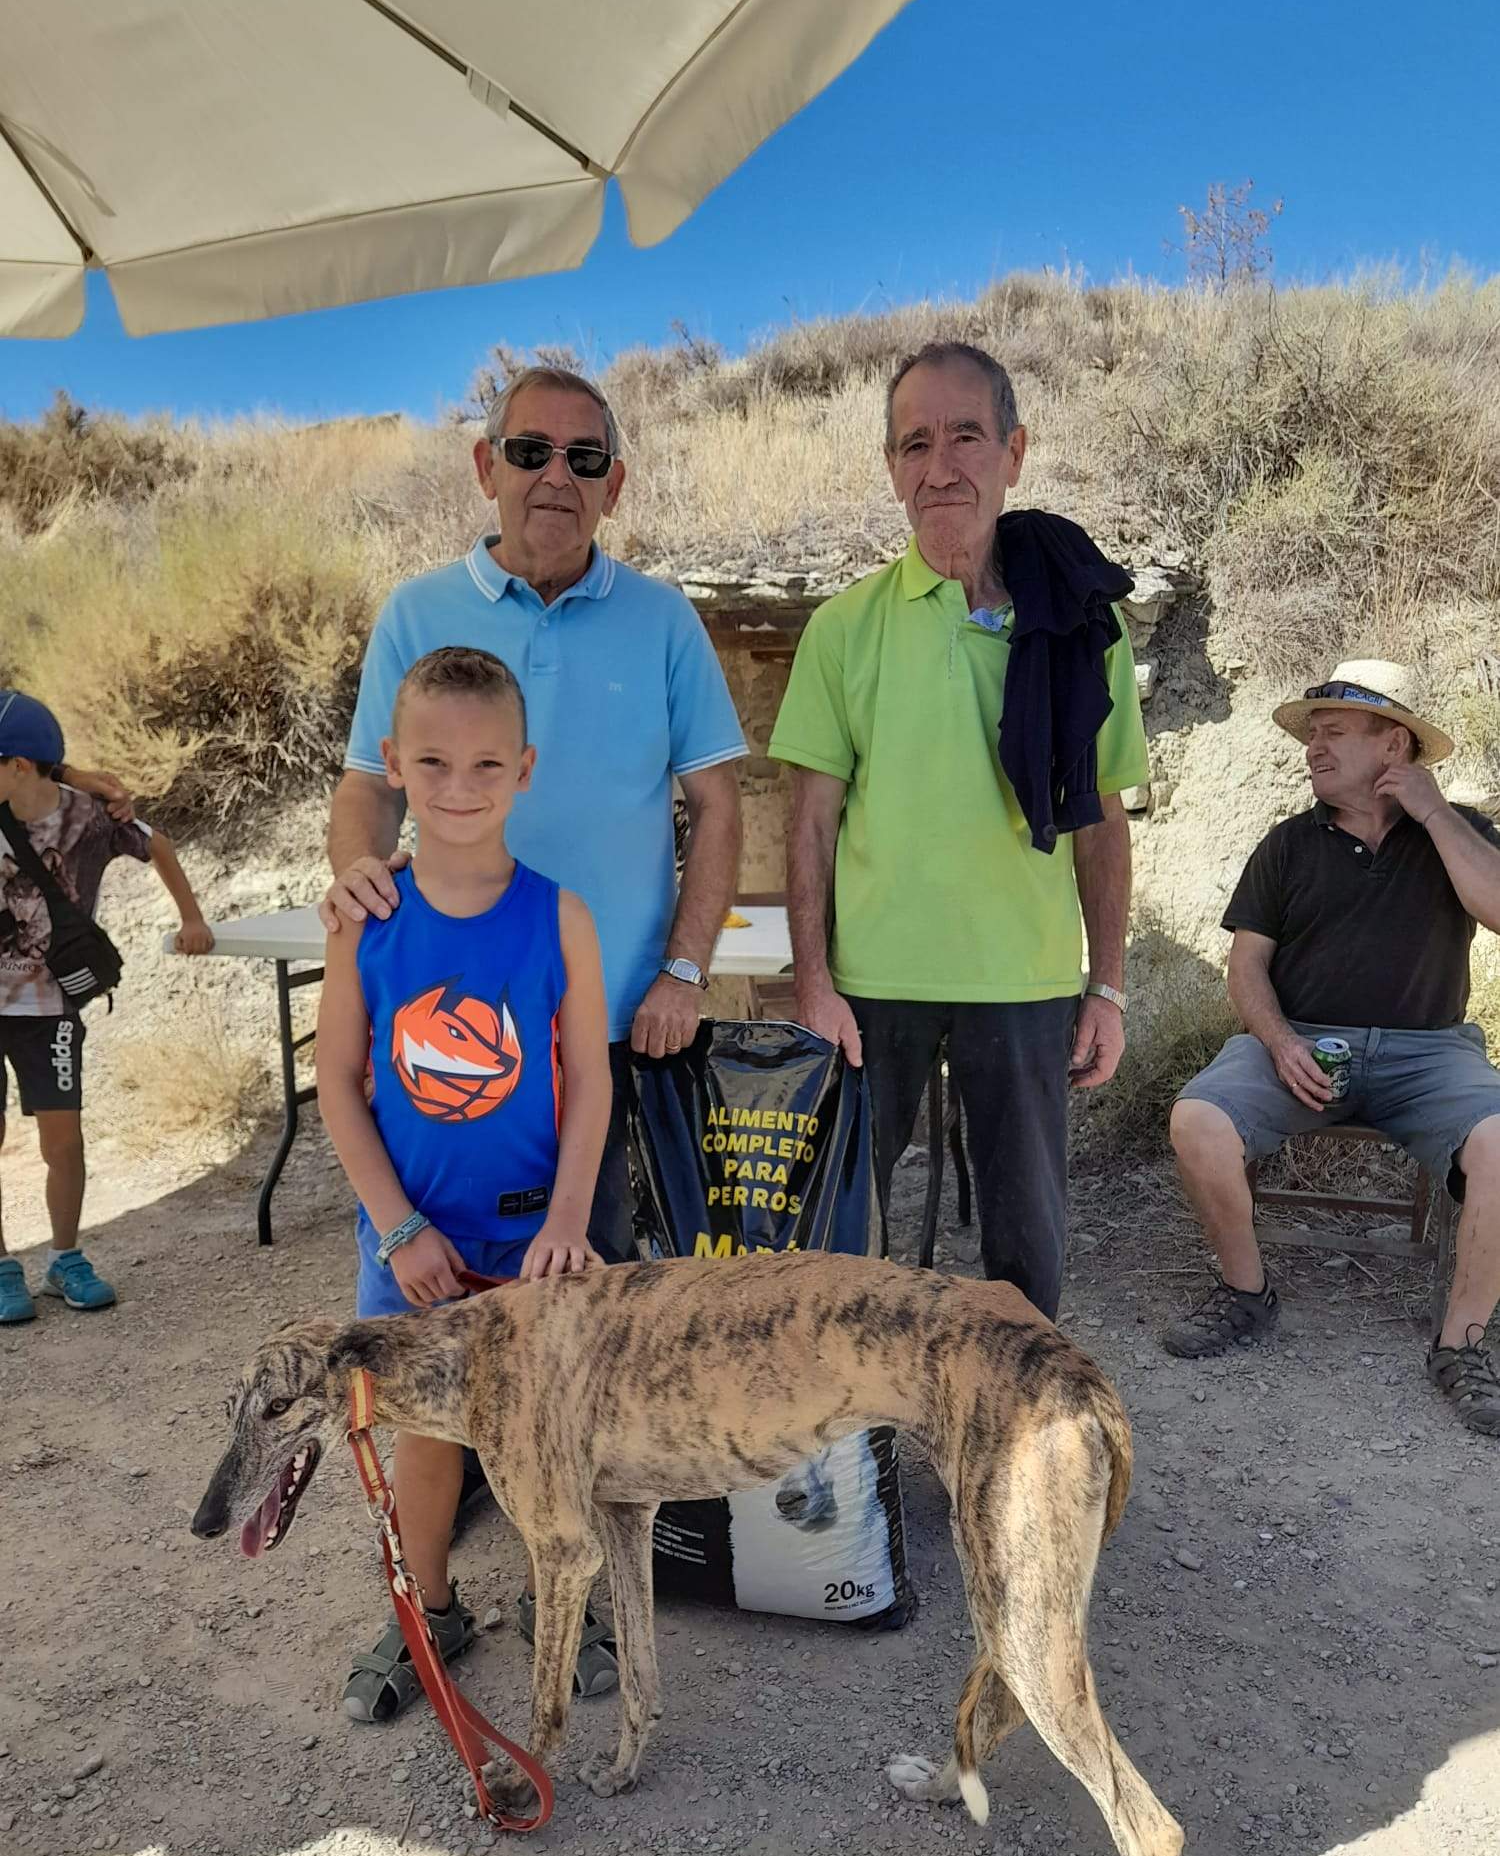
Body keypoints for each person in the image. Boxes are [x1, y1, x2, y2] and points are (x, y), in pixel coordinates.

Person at [320, 364, 746, 1270]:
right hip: (449, 1012)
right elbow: (368, 787)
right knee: (439, 1296)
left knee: (592, 1291)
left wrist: (683, 972)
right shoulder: (414, 614)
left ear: (613, 486)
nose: (558, 475)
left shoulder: (665, 620)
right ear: (487, 468)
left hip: (619, 1029)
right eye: (531, 451)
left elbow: (717, 805)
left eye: (585, 458)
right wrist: (358, 869)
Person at [768, 341, 1148, 1319]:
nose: (939, 467)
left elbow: (1104, 820)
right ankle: (851, 1418)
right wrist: (813, 982)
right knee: (838, 1237)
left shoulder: (1082, 627)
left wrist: (1106, 984)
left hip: (1025, 981)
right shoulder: (843, 629)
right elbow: (809, 821)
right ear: (892, 466)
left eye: (966, 436)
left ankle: (1019, 1413)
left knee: (1026, 1253)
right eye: (915, 443)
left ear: (1014, 452)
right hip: (871, 986)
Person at [318, 649, 615, 1721]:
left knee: (546, 1433)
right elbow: (337, 1085)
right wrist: (398, 1229)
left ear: (523, 769)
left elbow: (589, 1080)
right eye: (433, 761)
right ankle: (425, 1610)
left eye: (487, 763)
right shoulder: (367, 921)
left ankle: (557, 1603)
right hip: (413, 1246)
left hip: (533, 1245)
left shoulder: (560, 917)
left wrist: (569, 1217)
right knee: (428, 1436)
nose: (459, 785)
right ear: (393, 763)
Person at [1166, 658, 1500, 1436]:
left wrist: (1434, 812)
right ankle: (1247, 1295)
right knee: (1197, 1121)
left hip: (1430, 1054)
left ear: (1394, 745)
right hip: (1302, 1045)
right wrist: (1280, 1041)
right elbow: (1246, 967)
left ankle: (1462, 1345)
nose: (1313, 748)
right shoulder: (1287, 845)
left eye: (1335, 733)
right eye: (1311, 734)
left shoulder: (1458, 833)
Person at [0, 689, 214, 1323]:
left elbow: (159, 845)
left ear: (18, 765)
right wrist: (73, 769)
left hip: (50, 1008)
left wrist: (192, 919)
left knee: (63, 1141)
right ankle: (2, 1267)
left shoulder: (89, 820)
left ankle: (64, 1259)